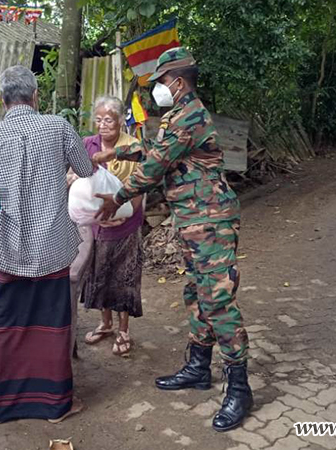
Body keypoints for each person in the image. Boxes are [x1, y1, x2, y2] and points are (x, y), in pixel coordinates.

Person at [93, 47, 252, 432]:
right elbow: (152, 148)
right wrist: (117, 151)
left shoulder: (191, 115)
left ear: (177, 82)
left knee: (218, 301)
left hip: (211, 221)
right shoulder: (178, 115)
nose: (158, 89)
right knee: (196, 295)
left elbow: (154, 166)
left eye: (161, 82)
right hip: (192, 221)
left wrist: (117, 198)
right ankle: (199, 367)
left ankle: (240, 387)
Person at [0, 65, 94, 424]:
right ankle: (55, 406)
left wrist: (5, 202)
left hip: (8, 250)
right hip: (52, 248)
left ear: (1, 99)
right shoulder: (58, 127)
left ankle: (5, 407)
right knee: (52, 325)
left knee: (8, 324)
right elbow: (85, 171)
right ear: (36, 97)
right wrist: (60, 179)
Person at [76, 96, 144, 356]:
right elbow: (78, 177)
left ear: (119, 121)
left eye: (109, 120)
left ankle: (124, 329)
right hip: (97, 225)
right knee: (99, 275)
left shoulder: (133, 147)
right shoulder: (88, 145)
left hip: (125, 224)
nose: (103, 125)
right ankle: (105, 323)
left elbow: (141, 184)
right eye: (99, 119)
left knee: (123, 277)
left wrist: (128, 212)